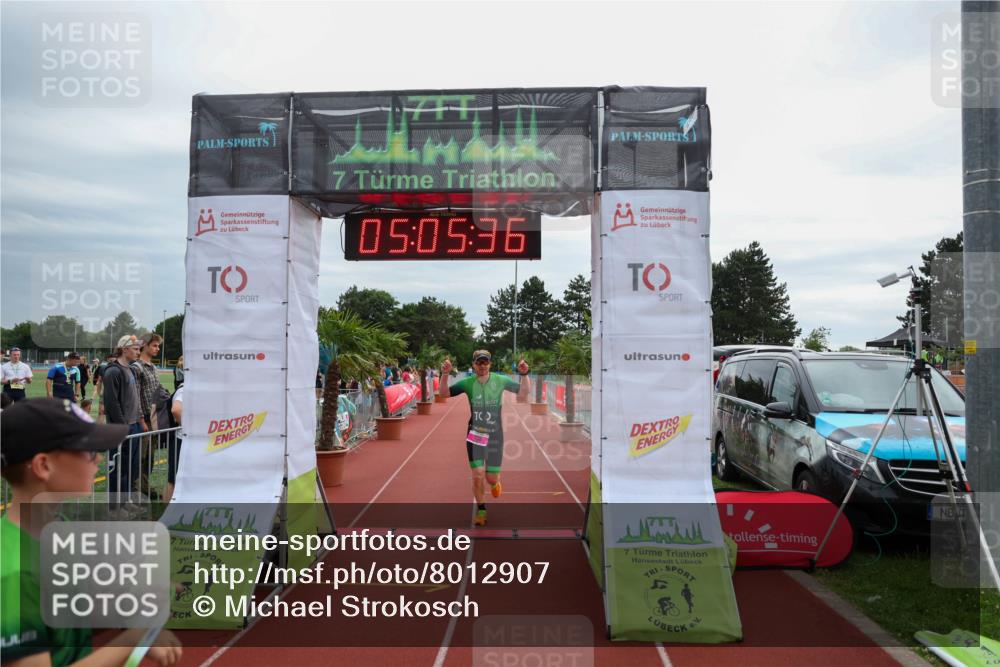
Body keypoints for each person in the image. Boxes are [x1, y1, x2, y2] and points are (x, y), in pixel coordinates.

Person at [0, 397, 183, 667]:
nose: (98, 458)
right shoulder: (14, 573)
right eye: (87, 450)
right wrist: (130, 642)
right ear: (43, 466)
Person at [442, 350, 529, 527]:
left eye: (485, 362)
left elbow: (523, 393)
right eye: (479, 362)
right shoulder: (467, 383)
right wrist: (444, 374)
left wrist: (524, 374)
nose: (482, 366)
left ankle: (496, 483)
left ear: (490, 364)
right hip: (474, 434)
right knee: (477, 474)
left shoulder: (500, 380)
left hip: (495, 435)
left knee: (490, 479)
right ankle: (482, 510)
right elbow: (444, 394)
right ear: (474, 364)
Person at [103, 335, 147, 506]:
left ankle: (126, 501)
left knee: (131, 467)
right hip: (121, 428)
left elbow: (134, 398)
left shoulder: (130, 369)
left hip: (134, 425)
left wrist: (140, 420)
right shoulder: (113, 371)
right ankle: (115, 507)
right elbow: (111, 403)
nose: (138, 352)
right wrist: (123, 427)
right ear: (124, 349)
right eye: (135, 349)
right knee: (118, 469)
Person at [133, 334, 169, 499]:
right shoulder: (137, 368)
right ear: (145, 345)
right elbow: (135, 396)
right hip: (143, 418)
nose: (157, 349)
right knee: (140, 456)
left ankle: (145, 485)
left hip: (154, 417)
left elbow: (157, 390)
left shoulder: (153, 368)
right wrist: (141, 419)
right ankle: (136, 488)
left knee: (150, 456)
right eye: (154, 345)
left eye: (158, 346)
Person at [165, 383, 183, 504]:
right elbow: (175, 410)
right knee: (173, 479)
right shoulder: (184, 389)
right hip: (180, 440)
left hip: (183, 439)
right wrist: (188, 427)